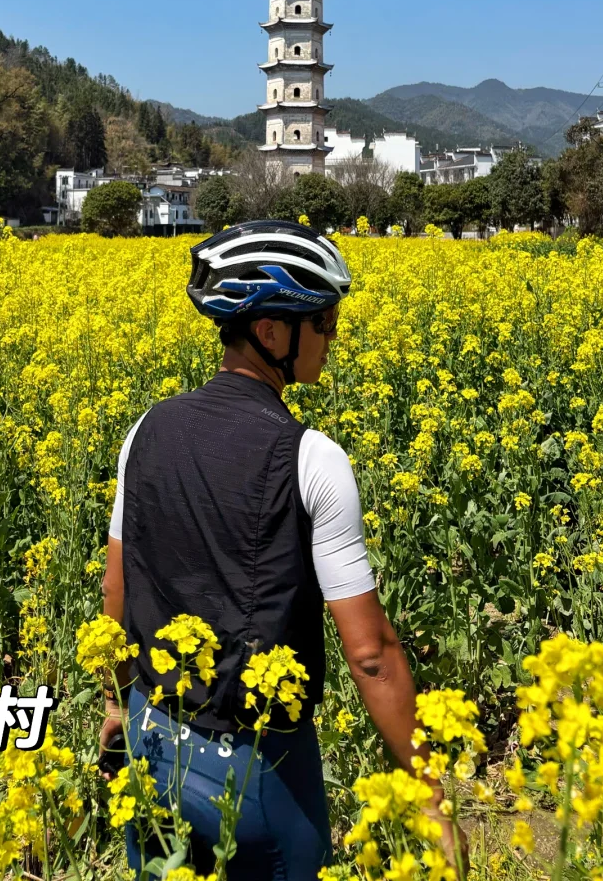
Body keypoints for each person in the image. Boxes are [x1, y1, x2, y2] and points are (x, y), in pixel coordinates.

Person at [100, 219, 465, 879]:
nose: (333, 336)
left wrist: (114, 702)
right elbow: (371, 655)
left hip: (152, 746)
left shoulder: (144, 431)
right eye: (322, 321)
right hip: (257, 773)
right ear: (270, 332)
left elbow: (116, 590)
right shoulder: (313, 459)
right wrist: (430, 797)